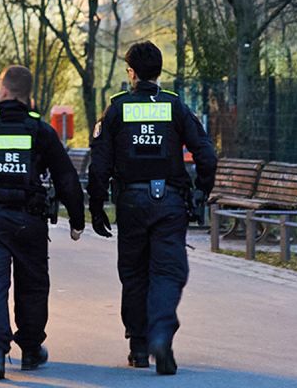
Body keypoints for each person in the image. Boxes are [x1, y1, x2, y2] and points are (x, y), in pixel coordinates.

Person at [88, 41, 217, 375]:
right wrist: (202, 190)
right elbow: (206, 154)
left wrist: (97, 205)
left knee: (134, 273)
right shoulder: (176, 107)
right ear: (158, 71)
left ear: (131, 72)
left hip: (131, 202)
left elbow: (99, 164)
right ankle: (162, 334)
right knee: (168, 271)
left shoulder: (116, 108)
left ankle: (139, 346)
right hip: (171, 202)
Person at [0, 65, 85, 381]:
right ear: (28, 95)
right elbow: (66, 176)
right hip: (31, 218)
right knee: (33, 285)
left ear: (2, 91)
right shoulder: (40, 130)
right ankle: (29, 350)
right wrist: (77, 219)